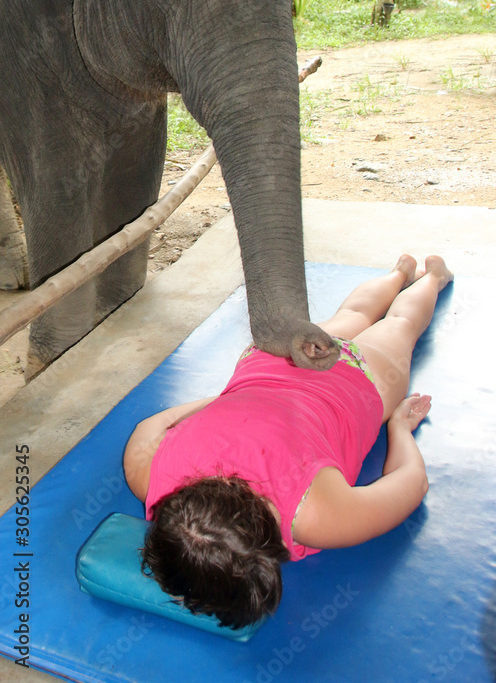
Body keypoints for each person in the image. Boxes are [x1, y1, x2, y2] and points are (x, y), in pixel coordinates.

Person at [124, 254, 453, 629]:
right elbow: (156, 423)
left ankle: (434, 277)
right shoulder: (148, 473)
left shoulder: (317, 516)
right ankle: (401, 273)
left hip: (356, 378)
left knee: (402, 324)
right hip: (280, 354)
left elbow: (412, 482)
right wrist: (232, 401)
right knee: (355, 314)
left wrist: (399, 430)